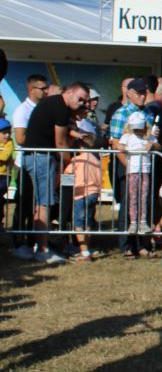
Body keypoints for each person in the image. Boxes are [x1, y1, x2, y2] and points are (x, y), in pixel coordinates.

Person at [23, 81, 89, 264]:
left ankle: (37, 246)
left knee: (40, 204)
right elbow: (60, 143)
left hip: (34, 157)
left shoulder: (54, 104)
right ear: (69, 92)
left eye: (85, 101)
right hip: (42, 158)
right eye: (80, 99)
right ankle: (43, 250)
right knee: (44, 204)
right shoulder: (59, 107)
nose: (82, 103)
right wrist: (69, 161)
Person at [110, 78, 152, 258]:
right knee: (128, 204)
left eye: (144, 93)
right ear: (129, 93)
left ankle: (141, 244)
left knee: (143, 203)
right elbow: (116, 144)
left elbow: (152, 140)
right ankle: (126, 245)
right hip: (127, 166)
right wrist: (130, 166)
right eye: (138, 93)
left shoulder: (148, 113)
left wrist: (153, 146)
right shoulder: (121, 114)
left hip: (145, 167)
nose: (142, 96)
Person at [10, 73, 49, 259]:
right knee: (24, 204)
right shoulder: (22, 110)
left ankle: (33, 240)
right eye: (41, 88)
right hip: (25, 163)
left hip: (38, 162)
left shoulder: (41, 109)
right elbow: (20, 138)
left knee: (38, 204)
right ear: (31, 89)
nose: (44, 92)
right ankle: (19, 241)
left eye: (45, 88)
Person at [66, 119, 103, 262]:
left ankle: (84, 251)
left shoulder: (78, 160)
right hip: (94, 193)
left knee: (78, 223)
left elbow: (68, 174)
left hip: (80, 194)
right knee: (88, 222)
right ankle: (87, 246)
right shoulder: (96, 160)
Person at [117, 111, 159, 236]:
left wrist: (151, 144)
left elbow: (158, 146)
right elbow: (119, 146)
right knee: (133, 197)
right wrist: (124, 149)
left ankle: (143, 221)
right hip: (132, 170)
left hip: (145, 170)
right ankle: (133, 222)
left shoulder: (149, 136)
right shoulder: (127, 136)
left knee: (144, 196)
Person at [0, 118, 12, 236]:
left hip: (3, 177)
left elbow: (4, 156)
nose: (7, 135)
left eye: (8, 132)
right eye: (4, 133)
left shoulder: (9, 143)